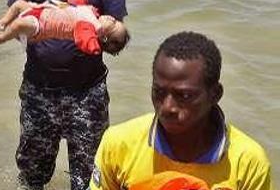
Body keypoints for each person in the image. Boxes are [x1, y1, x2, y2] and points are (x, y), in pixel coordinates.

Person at [6, 0, 129, 190]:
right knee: (30, 178)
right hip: (38, 89)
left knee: (89, 181)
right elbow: (17, 18)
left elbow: (118, 40)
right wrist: (45, 18)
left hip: (88, 94)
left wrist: (110, 30)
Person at [90, 32, 272, 190]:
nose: (167, 107)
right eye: (158, 92)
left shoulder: (248, 162)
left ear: (215, 94)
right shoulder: (118, 144)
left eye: (184, 96)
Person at [0, 0, 127, 55]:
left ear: (104, 36)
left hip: (41, 26)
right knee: (18, 4)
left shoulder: (88, 28)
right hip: (41, 10)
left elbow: (85, 41)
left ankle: (1, 38)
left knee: (19, 24)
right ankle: (3, 22)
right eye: (116, 20)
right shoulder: (92, 13)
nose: (113, 18)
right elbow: (75, 2)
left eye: (114, 25)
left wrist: (93, 46)